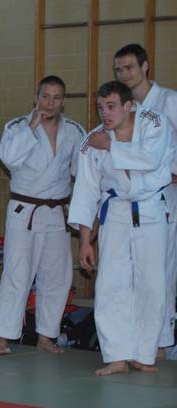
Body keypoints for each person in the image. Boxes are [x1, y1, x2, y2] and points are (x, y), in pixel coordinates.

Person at [70, 80, 173, 376]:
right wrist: (86, 242)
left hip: (151, 209)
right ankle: (116, 355)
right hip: (115, 211)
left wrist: (112, 146)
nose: (105, 113)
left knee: (152, 284)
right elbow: (86, 192)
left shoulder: (155, 122)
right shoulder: (93, 140)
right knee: (110, 284)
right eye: (100, 107)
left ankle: (144, 353)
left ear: (129, 106)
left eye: (111, 106)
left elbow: (149, 160)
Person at [0, 76, 86, 355]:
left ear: (63, 101)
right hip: (24, 211)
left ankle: (46, 335)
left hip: (56, 212)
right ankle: (3, 336)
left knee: (57, 277)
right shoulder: (17, 127)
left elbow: (82, 173)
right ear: (36, 98)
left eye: (56, 98)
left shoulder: (74, 131)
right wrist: (31, 128)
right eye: (45, 97)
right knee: (17, 273)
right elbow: (8, 158)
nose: (50, 103)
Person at [113, 43, 177, 356]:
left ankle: (161, 342)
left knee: (161, 272)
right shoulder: (122, 106)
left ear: (145, 66)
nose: (124, 74)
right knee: (128, 274)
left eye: (129, 67)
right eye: (119, 69)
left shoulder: (169, 101)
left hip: (164, 195)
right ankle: (135, 342)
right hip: (128, 198)